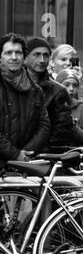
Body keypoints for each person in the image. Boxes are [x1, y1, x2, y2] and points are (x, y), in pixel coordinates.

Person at [24, 37, 83, 153]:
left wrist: (39, 151)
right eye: (36, 55)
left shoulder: (58, 90)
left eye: (46, 55)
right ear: (25, 58)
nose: (42, 60)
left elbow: (60, 130)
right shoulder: (10, 85)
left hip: (41, 156)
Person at [0, 33, 50, 164]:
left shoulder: (35, 90)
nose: (14, 57)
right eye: (8, 53)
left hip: (25, 164)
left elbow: (44, 125)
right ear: (0, 57)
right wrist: (15, 154)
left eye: (18, 53)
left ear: (24, 57)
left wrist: (26, 154)